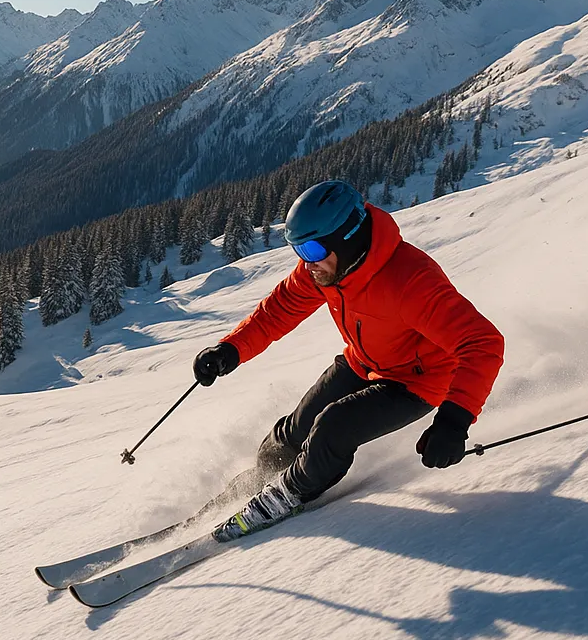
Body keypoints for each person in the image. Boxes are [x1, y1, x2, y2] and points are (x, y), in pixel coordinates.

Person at [193, 180, 504, 541]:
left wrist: (453, 422)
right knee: (292, 433)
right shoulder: (327, 270)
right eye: (297, 250)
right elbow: (278, 311)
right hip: (363, 362)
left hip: (417, 381)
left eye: (310, 248)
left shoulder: (410, 281)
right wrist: (230, 350)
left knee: (333, 427)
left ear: (347, 238)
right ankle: (255, 483)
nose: (305, 262)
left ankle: (286, 496)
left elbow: (483, 343)